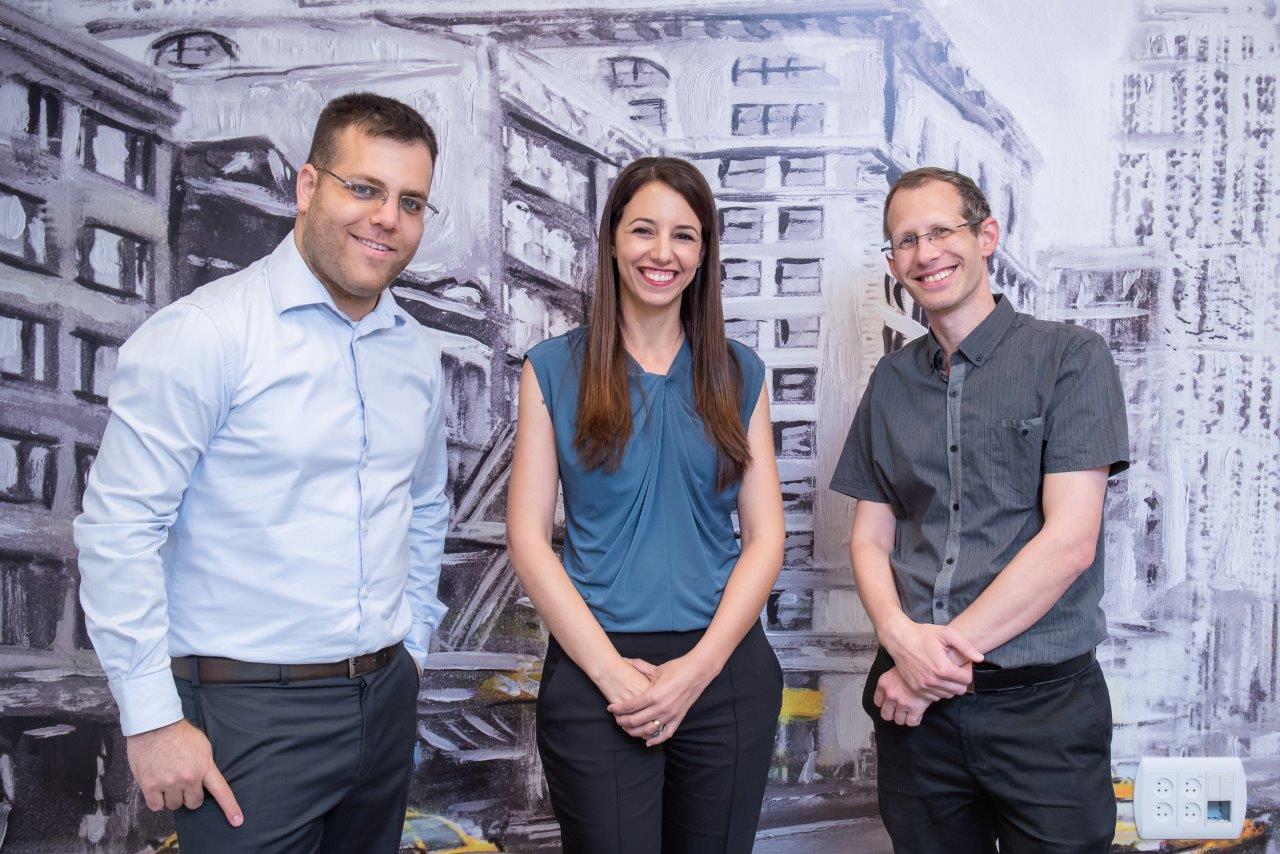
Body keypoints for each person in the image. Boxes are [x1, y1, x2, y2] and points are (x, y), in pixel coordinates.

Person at [74, 92, 449, 853]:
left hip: (384, 705)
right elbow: (118, 531)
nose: (387, 218)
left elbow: (425, 504)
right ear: (309, 187)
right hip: (248, 716)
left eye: (410, 202)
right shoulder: (204, 335)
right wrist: (150, 718)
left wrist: (413, 653)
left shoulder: (416, 353)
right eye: (364, 188)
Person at [831, 167, 1129, 852]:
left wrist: (926, 669)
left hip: (1043, 709)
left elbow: (1070, 543)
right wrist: (901, 644)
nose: (925, 253)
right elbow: (870, 539)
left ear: (986, 235)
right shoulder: (890, 381)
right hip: (914, 719)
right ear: (893, 261)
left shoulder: (1070, 358)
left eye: (941, 230)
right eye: (906, 240)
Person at [505, 157, 785, 854]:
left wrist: (698, 669)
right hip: (597, 675)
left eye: (685, 236)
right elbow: (529, 539)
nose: (663, 253)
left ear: (705, 252)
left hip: (723, 674)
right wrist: (609, 675)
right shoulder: (549, 369)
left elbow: (766, 538)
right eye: (643, 231)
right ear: (611, 241)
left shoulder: (740, 372)